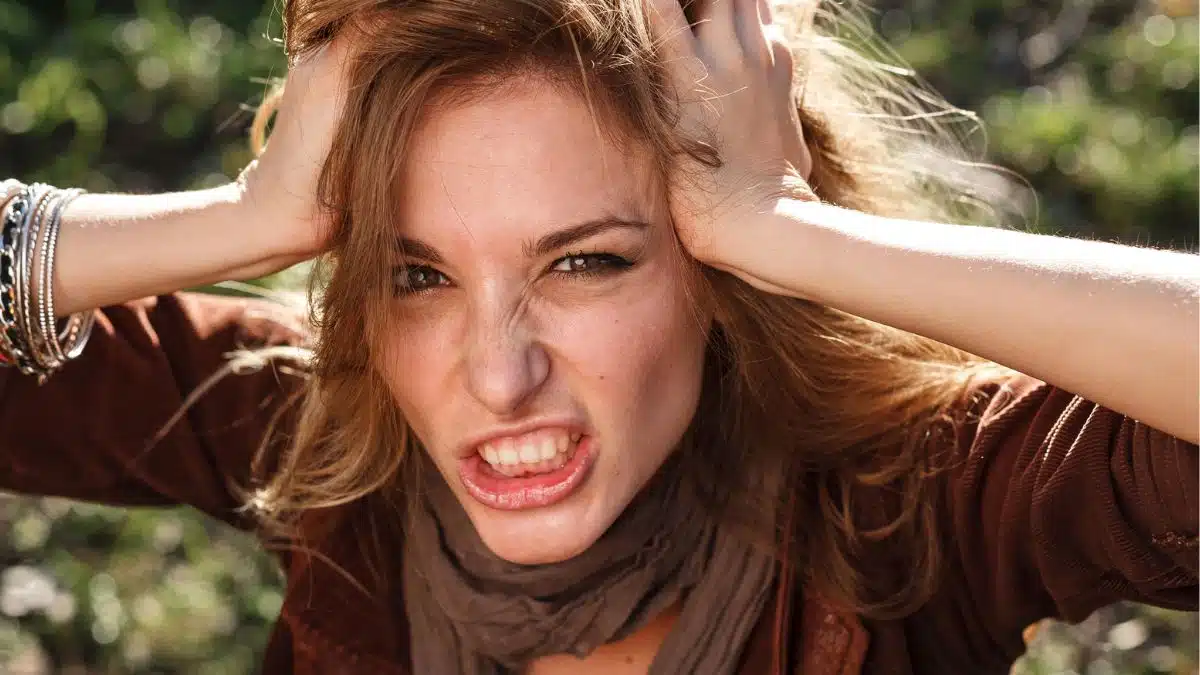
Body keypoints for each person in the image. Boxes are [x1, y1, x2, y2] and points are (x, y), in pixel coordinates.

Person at [1, 0, 1196, 673]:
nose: (498, 374)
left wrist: (784, 226)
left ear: (715, 276)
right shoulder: (336, 459)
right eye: (417, 274)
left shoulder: (916, 506)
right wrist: (248, 215)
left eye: (584, 261)